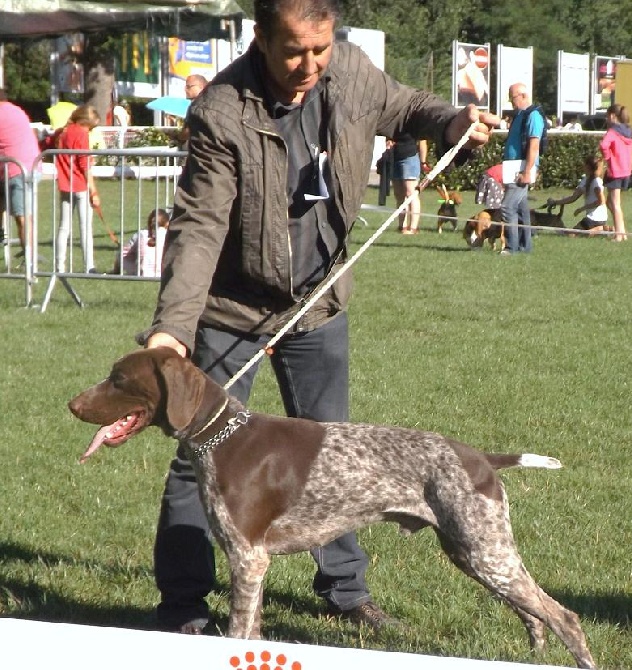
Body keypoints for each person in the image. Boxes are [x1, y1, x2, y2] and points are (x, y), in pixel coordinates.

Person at [138, 0, 497, 636]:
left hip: (318, 303)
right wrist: (173, 329)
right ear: (260, 39)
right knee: (201, 453)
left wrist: (452, 121)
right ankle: (185, 604)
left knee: (335, 452)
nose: (309, 64)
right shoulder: (222, 110)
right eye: (294, 50)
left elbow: (410, 106)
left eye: (320, 49)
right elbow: (196, 229)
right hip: (231, 309)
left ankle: (345, 590)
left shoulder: (352, 72)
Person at [54, 104, 101, 273]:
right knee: (85, 227)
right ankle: (89, 266)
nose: (90, 130)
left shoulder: (63, 132)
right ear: (85, 122)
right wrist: (93, 191)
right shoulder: (81, 134)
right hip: (80, 185)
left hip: (65, 184)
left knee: (63, 227)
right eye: (91, 127)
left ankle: (59, 266)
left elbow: (45, 143)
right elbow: (84, 164)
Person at [500, 82, 544, 254]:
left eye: (513, 98)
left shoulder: (533, 116)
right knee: (520, 209)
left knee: (507, 207)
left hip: (522, 168)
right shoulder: (520, 115)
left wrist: (527, 172)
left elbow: (534, 145)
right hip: (513, 166)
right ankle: (525, 247)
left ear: (523, 96)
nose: (511, 102)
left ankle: (511, 248)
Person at [0, 88, 41, 252]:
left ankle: (30, 263)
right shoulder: (17, 110)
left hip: (17, 170)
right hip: (26, 166)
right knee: (23, 216)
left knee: (22, 217)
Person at [547, 155, 608, 236]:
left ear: (588, 167)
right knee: (571, 234)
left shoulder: (596, 182)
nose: (583, 166)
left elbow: (601, 201)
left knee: (571, 235)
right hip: (592, 218)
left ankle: (601, 229)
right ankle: (599, 230)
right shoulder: (585, 180)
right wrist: (555, 202)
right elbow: (573, 198)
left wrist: (582, 209)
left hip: (595, 218)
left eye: (585, 164)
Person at [599, 103, 632, 242]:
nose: (607, 120)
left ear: (612, 116)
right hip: (626, 171)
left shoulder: (612, 132)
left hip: (615, 171)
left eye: (607, 117)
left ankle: (619, 235)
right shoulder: (629, 131)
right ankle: (622, 230)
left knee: (615, 204)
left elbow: (603, 145)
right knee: (609, 202)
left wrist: (607, 157)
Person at [388, 134, 428, 234]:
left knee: (411, 193)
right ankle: (402, 226)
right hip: (394, 158)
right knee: (399, 194)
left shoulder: (414, 122)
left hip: (409, 158)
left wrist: (423, 162)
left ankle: (413, 228)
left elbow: (422, 142)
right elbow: (388, 138)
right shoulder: (394, 122)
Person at [114, 208, 170, 277]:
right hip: (165, 273)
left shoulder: (141, 234)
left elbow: (123, 253)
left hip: (142, 273)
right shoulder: (170, 236)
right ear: (167, 223)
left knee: (120, 253)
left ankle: (115, 272)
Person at [178, 74, 209, 147]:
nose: (185, 90)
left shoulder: (195, 106)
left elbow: (187, 132)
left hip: (200, 152)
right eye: (186, 87)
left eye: (189, 87)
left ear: (201, 87)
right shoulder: (215, 102)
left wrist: (178, 137)